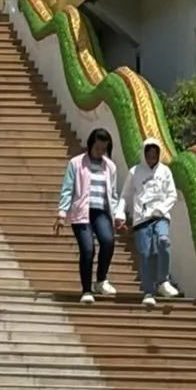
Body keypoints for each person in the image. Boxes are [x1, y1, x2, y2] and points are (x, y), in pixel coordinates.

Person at [56, 128, 123, 303]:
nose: (100, 152)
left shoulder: (110, 167)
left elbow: (113, 194)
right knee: (87, 249)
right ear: (91, 145)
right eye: (97, 148)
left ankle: (101, 279)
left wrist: (117, 216)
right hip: (81, 212)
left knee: (108, 241)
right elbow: (67, 189)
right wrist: (62, 214)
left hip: (100, 211)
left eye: (103, 149)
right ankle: (86, 290)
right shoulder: (76, 163)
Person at [121, 137, 181, 307]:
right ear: (144, 154)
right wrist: (120, 214)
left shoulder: (165, 171)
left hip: (160, 216)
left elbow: (172, 195)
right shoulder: (135, 172)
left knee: (163, 241)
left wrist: (161, 209)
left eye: (155, 154)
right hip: (142, 219)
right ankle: (148, 291)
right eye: (149, 153)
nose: (152, 157)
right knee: (145, 254)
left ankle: (163, 280)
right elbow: (125, 195)